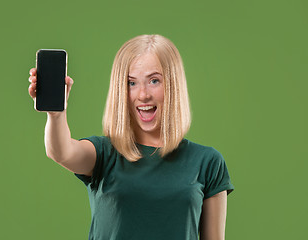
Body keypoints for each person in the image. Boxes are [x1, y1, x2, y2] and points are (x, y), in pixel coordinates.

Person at [28, 34, 234, 240]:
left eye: (154, 81)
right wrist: (56, 114)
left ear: (173, 85)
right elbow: (61, 152)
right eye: (131, 83)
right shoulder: (104, 154)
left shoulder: (208, 162)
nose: (143, 94)